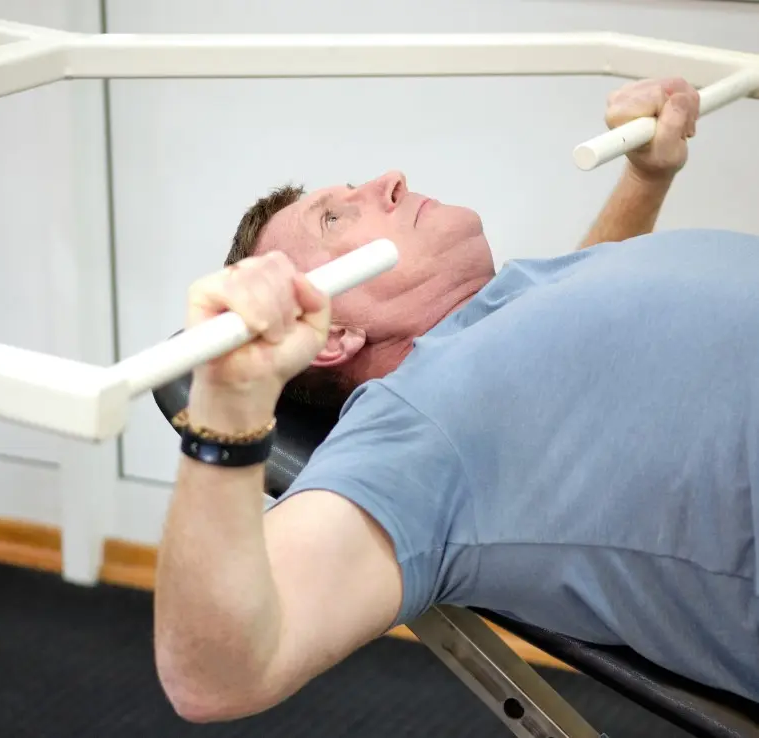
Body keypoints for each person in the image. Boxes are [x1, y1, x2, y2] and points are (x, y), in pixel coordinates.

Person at [153, 75, 759, 723]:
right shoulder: (412, 430)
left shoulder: (501, 321)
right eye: (334, 218)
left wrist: (644, 177)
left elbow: (566, 366)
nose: (389, 179)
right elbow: (210, 681)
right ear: (332, 335)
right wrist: (228, 405)